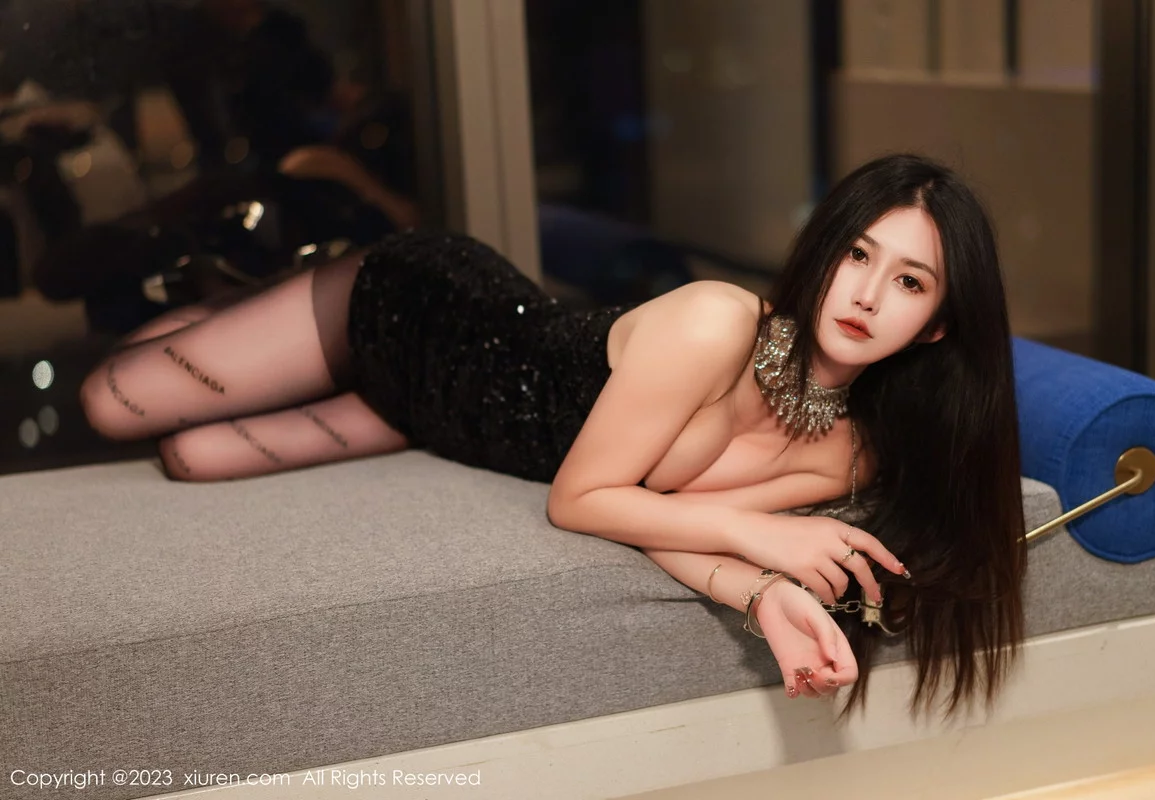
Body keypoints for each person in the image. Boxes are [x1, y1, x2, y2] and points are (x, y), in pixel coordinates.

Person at [78, 153, 1027, 714]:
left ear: (936, 327)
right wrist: (760, 537)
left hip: (439, 423)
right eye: (858, 254)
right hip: (423, 316)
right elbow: (581, 501)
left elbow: (652, 518)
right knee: (112, 402)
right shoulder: (717, 324)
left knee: (192, 456)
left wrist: (764, 596)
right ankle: (233, 287)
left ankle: (292, 349)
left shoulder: (847, 448)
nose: (867, 294)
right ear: (824, 251)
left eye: (910, 281)